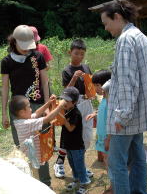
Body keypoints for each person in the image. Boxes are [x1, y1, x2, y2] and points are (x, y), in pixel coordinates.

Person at [100, 1, 147, 194]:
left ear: (117, 16)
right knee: (138, 159)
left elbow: (128, 80)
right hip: (138, 114)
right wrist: (109, 85)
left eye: (106, 23)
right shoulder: (140, 36)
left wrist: (122, 115)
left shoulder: (125, 39)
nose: (106, 28)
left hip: (126, 117)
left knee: (117, 164)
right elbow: (130, 75)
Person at [1, 24, 50, 144]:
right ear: (14, 42)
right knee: (23, 145)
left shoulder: (38, 57)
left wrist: (47, 105)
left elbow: (45, 81)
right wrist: (4, 114)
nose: (26, 49)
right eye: (23, 46)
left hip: (38, 105)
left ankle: (43, 164)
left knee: (42, 144)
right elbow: (5, 88)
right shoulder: (7, 62)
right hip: (19, 109)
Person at [54, 39, 93, 179]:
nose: (79, 56)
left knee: (86, 134)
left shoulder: (86, 67)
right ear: (70, 52)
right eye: (76, 53)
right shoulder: (67, 70)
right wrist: (74, 78)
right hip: (71, 104)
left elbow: (90, 86)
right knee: (70, 133)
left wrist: (92, 93)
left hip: (86, 103)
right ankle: (59, 162)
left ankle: (80, 165)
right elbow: (66, 91)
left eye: (82, 54)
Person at [9, 94, 65, 186]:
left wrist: (48, 103)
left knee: (33, 179)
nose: (31, 109)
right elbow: (48, 118)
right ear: (22, 112)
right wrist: (60, 107)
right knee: (34, 180)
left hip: (30, 157)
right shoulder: (26, 123)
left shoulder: (21, 120)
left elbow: (37, 113)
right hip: (31, 159)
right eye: (29, 107)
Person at [58, 87, 92, 194]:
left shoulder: (76, 113)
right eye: (64, 100)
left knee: (79, 165)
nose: (64, 103)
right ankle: (76, 180)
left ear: (75, 102)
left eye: (67, 101)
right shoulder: (67, 110)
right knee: (72, 164)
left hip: (77, 146)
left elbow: (71, 128)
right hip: (69, 145)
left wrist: (63, 120)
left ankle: (84, 182)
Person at [86, 70, 112, 194]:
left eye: (98, 85)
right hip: (103, 136)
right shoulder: (104, 98)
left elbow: (111, 120)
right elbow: (103, 111)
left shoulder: (110, 100)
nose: (95, 88)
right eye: (94, 85)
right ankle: (113, 186)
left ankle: (114, 187)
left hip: (108, 137)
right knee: (107, 161)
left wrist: (108, 138)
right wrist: (95, 114)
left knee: (110, 162)